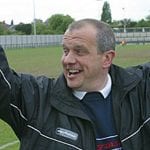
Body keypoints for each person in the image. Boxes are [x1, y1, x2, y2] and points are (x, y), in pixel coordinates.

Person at [0, 18, 150, 150]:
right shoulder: (35, 100)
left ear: (107, 59)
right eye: (65, 51)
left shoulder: (141, 90)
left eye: (79, 52)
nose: (67, 60)